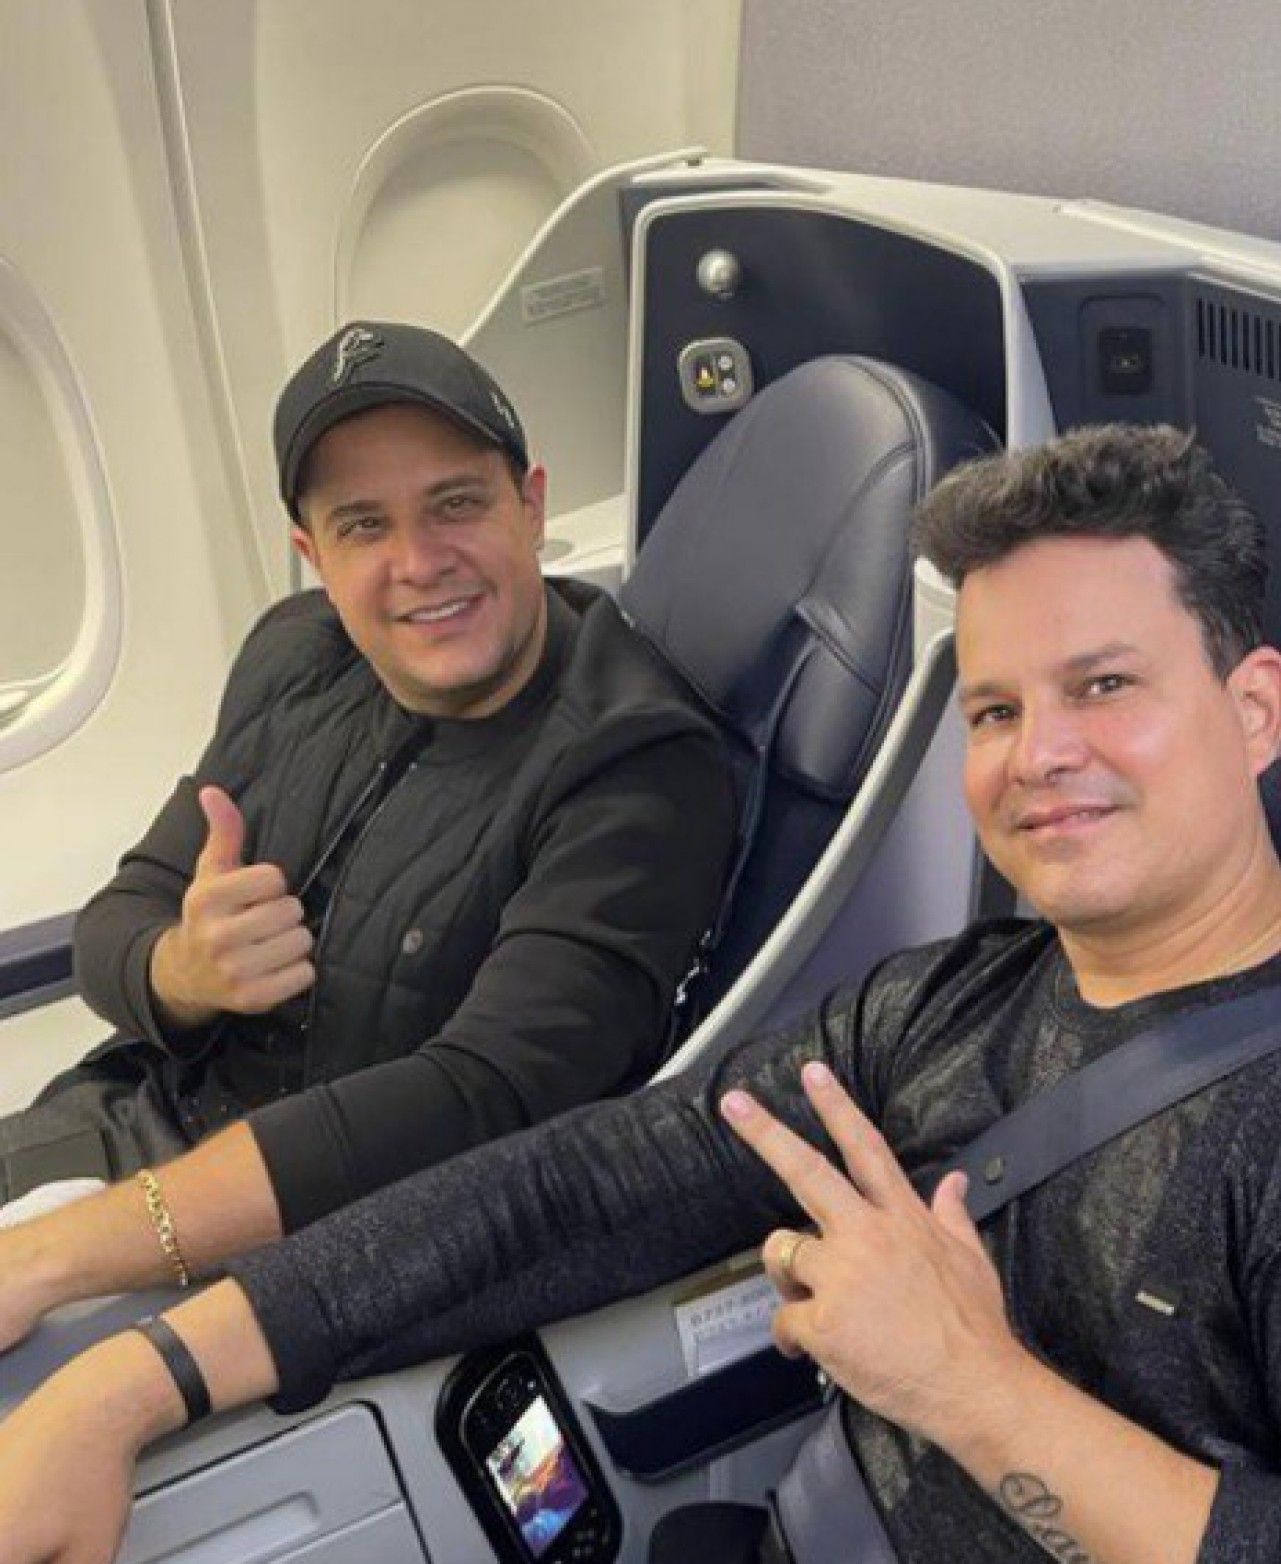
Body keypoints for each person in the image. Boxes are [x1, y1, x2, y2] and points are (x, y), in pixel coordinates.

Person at [0, 425, 1281, 1564]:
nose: (1040, 755)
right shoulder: (951, 1004)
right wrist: (134, 1378)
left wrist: (976, 1388)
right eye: (993, 710)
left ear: (1252, 709)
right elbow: (578, 1192)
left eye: (1105, 685)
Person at [0, 321, 733, 1347]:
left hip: (310, 1263)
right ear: (314, 554)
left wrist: (54, 1255)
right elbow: (121, 914)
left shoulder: (635, 763)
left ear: (530, 506)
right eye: (362, 525)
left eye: (456, 503)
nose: (419, 562)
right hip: (114, 1129)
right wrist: (182, 970)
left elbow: (486, 1096)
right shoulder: (297, 655)